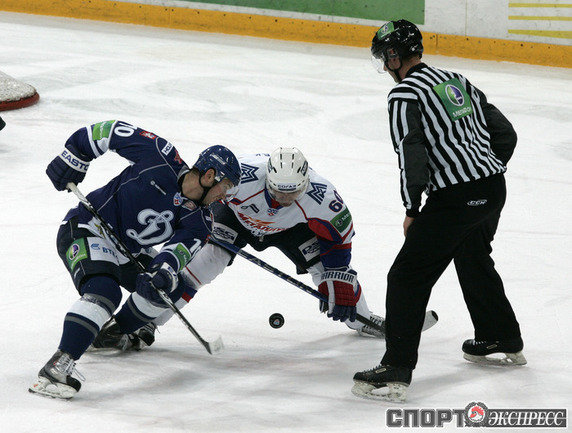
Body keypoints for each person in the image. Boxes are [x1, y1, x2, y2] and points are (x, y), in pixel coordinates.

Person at [352, 20, 526, 402]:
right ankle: (501, 336)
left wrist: (412, 208)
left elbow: (410, 153)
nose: (385, 67)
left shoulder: (404, 94)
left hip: (456, 199)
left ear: (394, 57)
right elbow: (505, 133)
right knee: (473, 256)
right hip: (493, 189)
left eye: (385, 59)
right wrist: (485, 172)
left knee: (407, 276)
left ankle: (396, 367)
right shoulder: (455, 80)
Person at [29, 120, 240, 399]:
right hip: (87, 227)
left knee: (169, 289)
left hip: (127, 249)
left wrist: (161, 273)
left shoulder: (201, 221)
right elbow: (109, 131)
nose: (224, 196)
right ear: (209, 176)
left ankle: (111, 333)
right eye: (225, 187)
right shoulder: (160, 155)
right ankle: (57, 367)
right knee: (104, 291)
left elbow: (175, 254)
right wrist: (75, 155)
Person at [94, 147, 384, 349]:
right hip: (237, 218)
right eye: (277, 191)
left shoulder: (323, 196)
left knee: (330, 275)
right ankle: (147, 322)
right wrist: (199, 227)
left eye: (293, 193)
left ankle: (363, 319)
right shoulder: (244, 174)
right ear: (267, 178)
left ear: (305, 183)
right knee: (205, 264)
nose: (284, 200)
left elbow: (339, 238)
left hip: (291, 229)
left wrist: (338, 274)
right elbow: (202, 196)